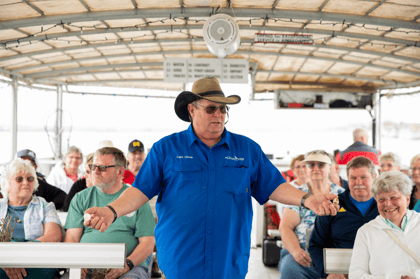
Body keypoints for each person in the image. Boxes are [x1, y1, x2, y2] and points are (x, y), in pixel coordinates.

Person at [83, 77, 340, 279]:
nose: (218, 114)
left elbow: (274, 186)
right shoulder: (166, 149)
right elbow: (140, 191)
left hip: (229, 256)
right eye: (211, 109)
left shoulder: (246, 149)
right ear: (192, 110)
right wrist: (111, 211)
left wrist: (308, 200)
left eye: (223, 109)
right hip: (180, 256)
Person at [64, 147, 155, 279]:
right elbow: (72, 239)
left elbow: (147, 242)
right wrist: (76, 263)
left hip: (129, 266)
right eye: (93, 166)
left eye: (102, 168)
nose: (95, 171)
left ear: (120, 172)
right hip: (85, 266)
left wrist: (127, 264)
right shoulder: (80, 198)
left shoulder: (138, 199)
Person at [308, 156, 379, 279]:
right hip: (339, 271)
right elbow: (315, 245)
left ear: (374, 177)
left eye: (363, 177)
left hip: (378, 271)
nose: (358, 183)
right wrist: (327, 273)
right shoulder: (332, 205)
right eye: (353, 178)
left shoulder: (385, 205)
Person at [279, 150, 345, 279]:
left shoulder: (341, 195)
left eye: (321, 165)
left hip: (333, 251)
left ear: (330, 168)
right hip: (303, 249)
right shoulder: (297, 194)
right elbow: (286, 227)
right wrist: (296, 251)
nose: (315, 168)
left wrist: (339, 263)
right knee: (290, 268)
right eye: (311, 165)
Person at [349, 171, 419, 278]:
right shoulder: (366, 232)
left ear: (407, 199)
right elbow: (355, 275)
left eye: (394, 197)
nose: (387, 204)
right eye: (381, 199)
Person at [0, 158, 62, 279]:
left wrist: (22, 255)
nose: (26, 182)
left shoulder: (44, 205)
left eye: (30, 179)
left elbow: (54, 235)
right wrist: (5, 260)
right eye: (19, 179)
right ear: (7, 184)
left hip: (37, 262)